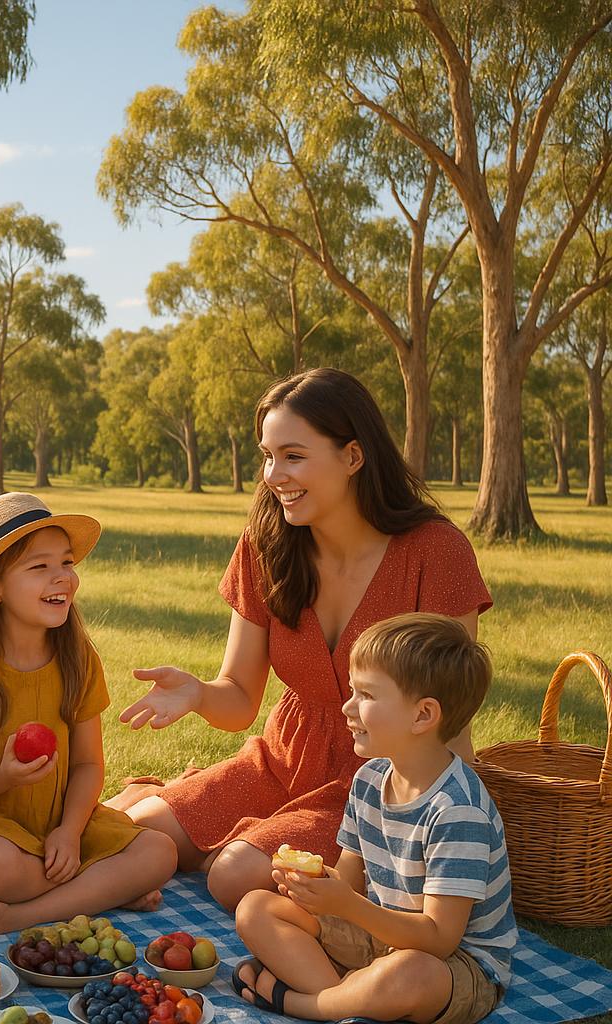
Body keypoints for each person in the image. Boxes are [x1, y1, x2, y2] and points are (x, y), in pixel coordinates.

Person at [110, 367, 493, 910]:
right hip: (281, 757)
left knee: (234, 876)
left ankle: (226, 840)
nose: (273, 474)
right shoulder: (266, 544)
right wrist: (198, 693)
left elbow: (449, 714)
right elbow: (239, 699)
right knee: (133, 831)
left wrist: (455, 826)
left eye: (293, 455)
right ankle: (189, 811)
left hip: (377, 778)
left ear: (353, 457)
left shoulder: (436, 552)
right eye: (267, 456)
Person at [233, 613, 518, 1024]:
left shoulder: (458, 811)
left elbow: (438, 940)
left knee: (409, 974)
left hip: (454, 967)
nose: (347, 707)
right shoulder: (369, 778)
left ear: (423, 716)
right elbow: (350, 876)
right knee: (255, 907)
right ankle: (347, 999)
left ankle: (303, 1004)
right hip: (379, 936)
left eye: (365, 695)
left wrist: (348, 905)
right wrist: (315, 889)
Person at [0, 491, 178, 937]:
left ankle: (29, 912)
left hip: (63, 820)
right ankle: (103, 890)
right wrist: (3, 776)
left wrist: (70, 832)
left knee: (161, 854)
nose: (62, 578)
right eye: (40, 567)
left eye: (67, 563)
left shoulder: (77, 658)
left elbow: (87, 765)